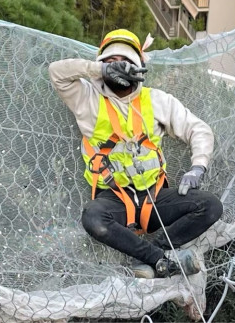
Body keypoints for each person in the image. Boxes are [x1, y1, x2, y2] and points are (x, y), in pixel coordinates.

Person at [48, 29, 223, 278]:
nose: (118, 68)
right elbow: (57, 72)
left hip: (155, 198)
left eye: (125, 63)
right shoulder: (87, 99)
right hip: (115, 201)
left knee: (210, 206)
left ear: (139, 67)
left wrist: (198, 166)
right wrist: (99, 71)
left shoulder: (157, 101)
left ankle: (154, 253)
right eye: (110, 63)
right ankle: (159, 260)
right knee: (93, 217)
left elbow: (199, 130)